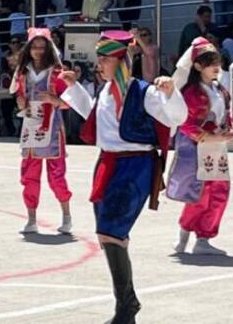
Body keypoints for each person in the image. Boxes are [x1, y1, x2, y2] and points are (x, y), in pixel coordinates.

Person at [62, 31, 187, 324]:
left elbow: (177, 118)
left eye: (104, 59)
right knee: (110, 236)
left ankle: (126, 308)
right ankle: (127, 304)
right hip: (106, 165)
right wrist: (74, 87)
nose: (99, 65)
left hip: (134, 167)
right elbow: (94, 117)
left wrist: (171, 92)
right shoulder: (106, 92)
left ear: (119, 61)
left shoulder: (144, 92)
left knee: (110, 232)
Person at [166, 37, 233, 256]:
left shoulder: (221, 90)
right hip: (197, 149)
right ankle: (184, 233)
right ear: (197, 66)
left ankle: (204, 238)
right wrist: (209, 136)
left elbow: (227, 114)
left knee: (219, 192)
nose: (217, 67)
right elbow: (185, 123)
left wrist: (227, 130)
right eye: (211, 63)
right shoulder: (192, 92)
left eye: (218, 63)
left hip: (217, 148)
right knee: (199, 194)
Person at [9, 28, 75, 235]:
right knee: (29, 175)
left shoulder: (58, 73)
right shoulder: (22, 73)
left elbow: (71, 102)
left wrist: (54, 100)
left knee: (56, 175)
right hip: (30, 126)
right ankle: (31, 219)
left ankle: (66, 216)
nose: (38, 51)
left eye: (42, 47)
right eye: (34, 47)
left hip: (53, 128)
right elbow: (20, 101)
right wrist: (20, 103)